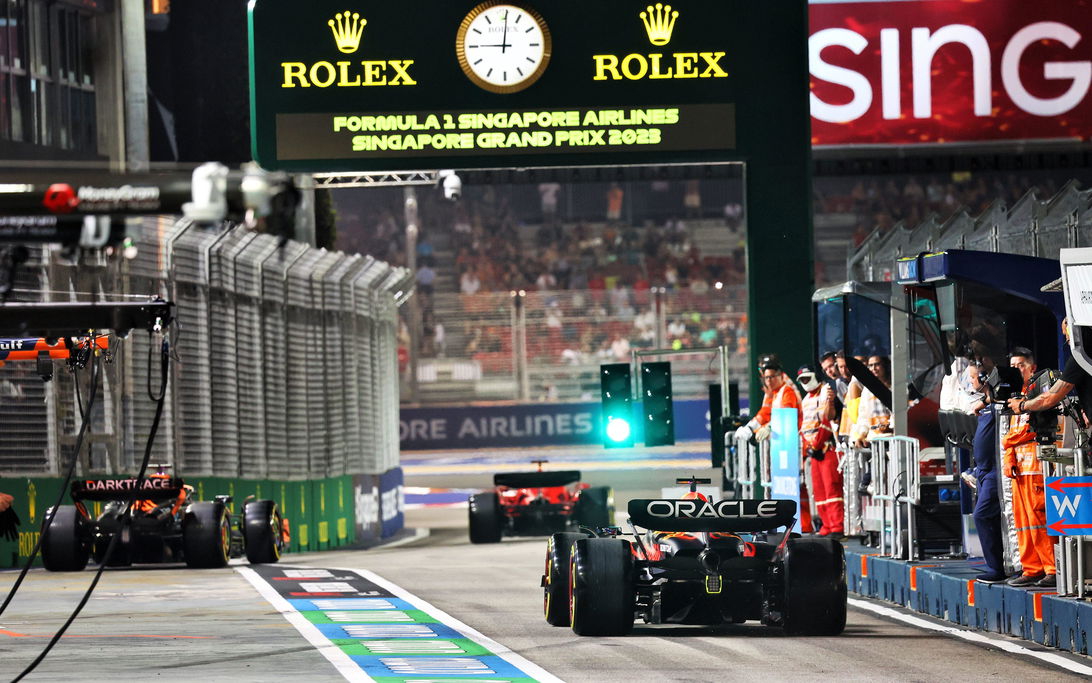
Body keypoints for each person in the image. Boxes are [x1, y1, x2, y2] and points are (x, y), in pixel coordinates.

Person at [1000, 347, 1056, 587]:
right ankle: (1032, 568)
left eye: (1020, 365)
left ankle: (1052, 568)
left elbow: (1029, 430)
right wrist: (1008, 458)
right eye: (1012, 366)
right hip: (1019, 471)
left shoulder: (1038, 394)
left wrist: (1006, 442)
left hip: (1036, 467)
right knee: (1023, 522)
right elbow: (1013, 431)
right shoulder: (1016, 398)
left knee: (1040, 519)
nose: (1016, 370)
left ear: (1032, 368)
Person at [798, 365, 844, 537]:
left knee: (832, 488)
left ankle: (837, 525)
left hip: (827, 448)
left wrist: (817, 444)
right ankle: (826, 524)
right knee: (818, 490)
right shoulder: (805, 400)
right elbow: (804, 427)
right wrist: (809, 448)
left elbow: (826, 421)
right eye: (802, 380)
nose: (805, 382)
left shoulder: (826, 392)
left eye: (807, 378)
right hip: (813, 451)